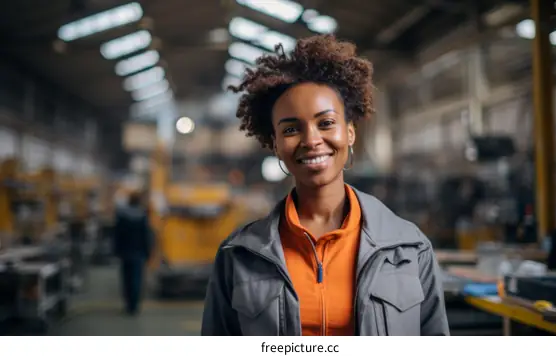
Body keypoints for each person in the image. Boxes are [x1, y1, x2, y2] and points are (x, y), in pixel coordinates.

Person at [201, 35, 449, 336]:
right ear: (275, 145)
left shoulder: (410, 248)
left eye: (326, 123)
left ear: (350, 133)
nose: (311, 140)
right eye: (291, 129)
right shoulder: (239, 255)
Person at [113, 191, 153, 315]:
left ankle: (128, 304)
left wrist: (116, 250)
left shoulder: (121, 215)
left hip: (125, 252)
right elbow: (146, 236)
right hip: (139, 252)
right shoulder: (142, 216)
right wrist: (148, 251)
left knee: (126, 278)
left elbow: (117, 235)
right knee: (136, 279)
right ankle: (134, 305)